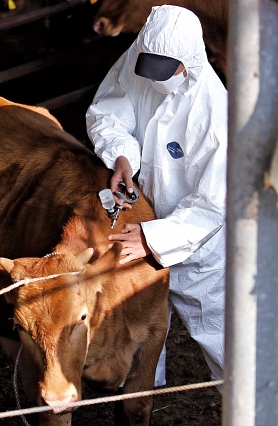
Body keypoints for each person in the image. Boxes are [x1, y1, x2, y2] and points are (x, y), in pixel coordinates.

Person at [85, 5, 227, 389]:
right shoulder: (139, 57)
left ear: (190, 63)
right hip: (139, 218)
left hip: (200, 246)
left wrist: (155, 237)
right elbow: (109, 110)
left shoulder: (217, 115)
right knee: (140, 328)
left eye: (166, 70)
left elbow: (215, 204)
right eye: (149, 65)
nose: (154, 77)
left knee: (223, 337)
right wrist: (122, 158)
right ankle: (143, 399)